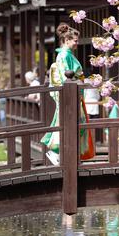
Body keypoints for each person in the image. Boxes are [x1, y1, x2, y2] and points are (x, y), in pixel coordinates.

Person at [41, 23, 95, 165]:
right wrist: (81, 80)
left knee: (75, 124)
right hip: (69, 94)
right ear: (67, 40)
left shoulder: (67, 55)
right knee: (68, 123)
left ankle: (71, 155)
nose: (77, 43)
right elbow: (66, 77)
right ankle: (57, 152)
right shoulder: (64, 55)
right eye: (75, 41)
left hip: (74, 93)